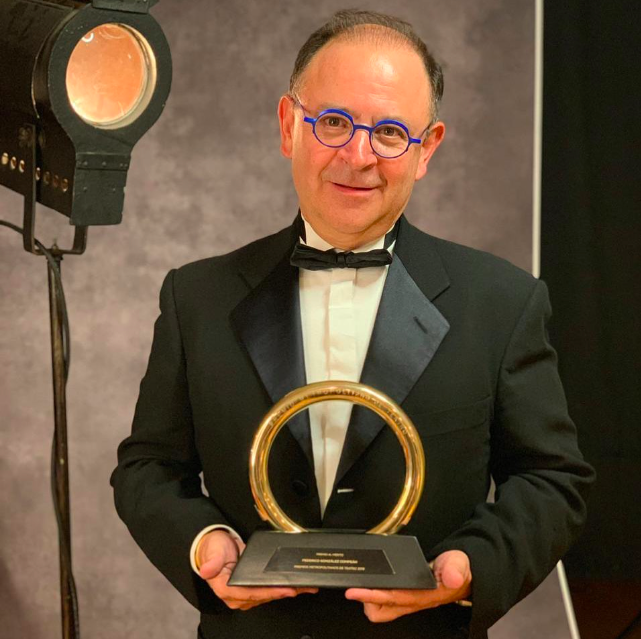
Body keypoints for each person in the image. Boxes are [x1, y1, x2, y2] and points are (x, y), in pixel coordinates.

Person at [111, 10, 594, 639]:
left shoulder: (502, 302)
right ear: (289, 126)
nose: (358, 156)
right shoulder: (195, 297)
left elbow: (552, 480)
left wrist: (472, 565)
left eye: (390, 132)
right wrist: (205, 543)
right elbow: (148, 467)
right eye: (334, 122)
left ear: (427, 149)